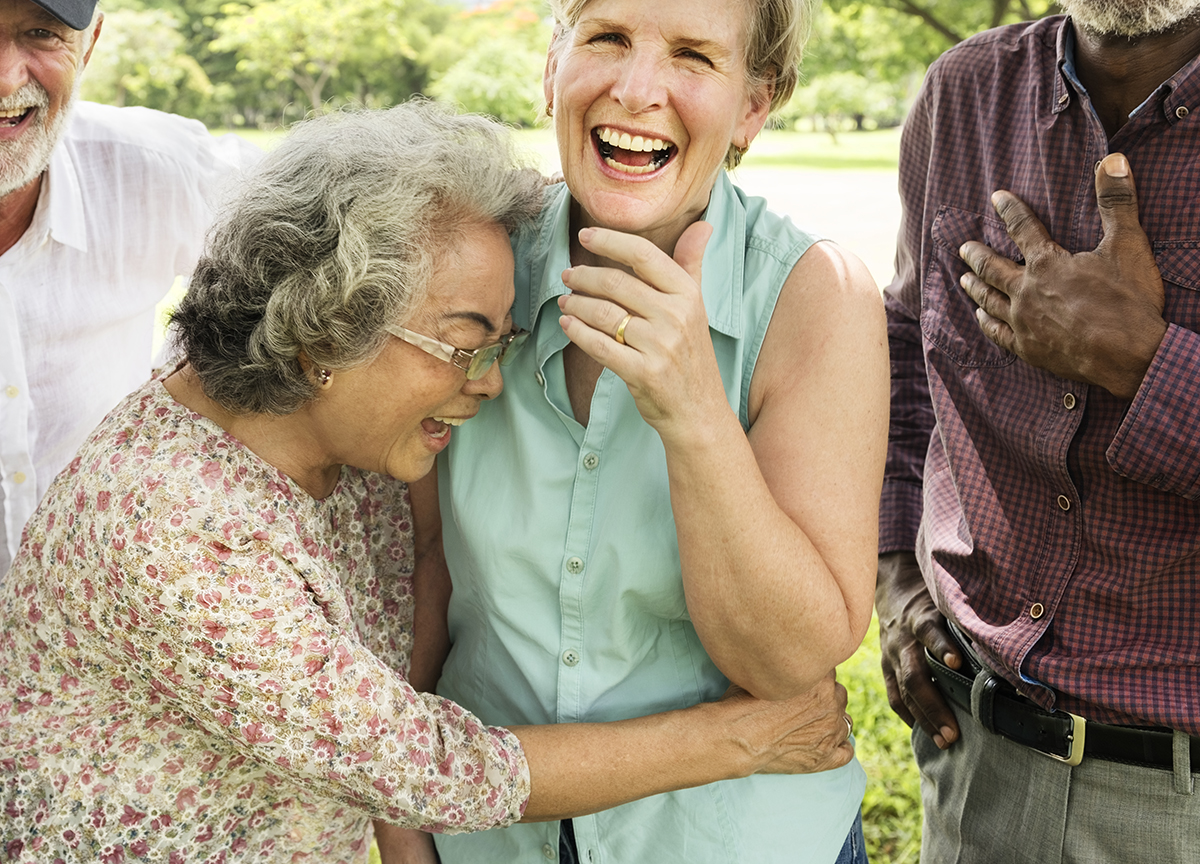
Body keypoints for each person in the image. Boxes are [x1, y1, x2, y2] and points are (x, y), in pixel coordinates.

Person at [0, 103, 856, 863]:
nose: (489, 381)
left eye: (503, 347)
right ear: (326, 332)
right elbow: (432, 764)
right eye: (466, 343)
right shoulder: (174, 529)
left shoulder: (336, 446)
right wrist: (746, 737)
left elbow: (413, 597)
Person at [433, 0, 889, 863]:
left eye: (693, 56)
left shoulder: (817, 298)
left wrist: (692, 413)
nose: (639, 90)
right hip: (487, 839)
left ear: (755, 104)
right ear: (551, 67)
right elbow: (409, 596)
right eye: (606, 38)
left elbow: (787, 660)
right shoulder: (465, 267)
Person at [876, 0, 1200, 863]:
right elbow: (905, 362)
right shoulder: (964, 97)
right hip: (978, 762)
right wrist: (894, 581)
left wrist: (1143, 364)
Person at [0, 0, 256, 576]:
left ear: (92, 43)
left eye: (41, 32)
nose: (5, 75)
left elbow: (336, 217)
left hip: (93, 642)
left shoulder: (154, 170)